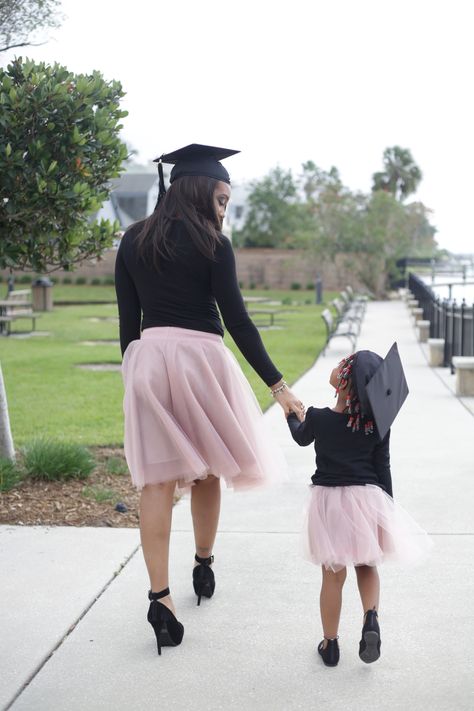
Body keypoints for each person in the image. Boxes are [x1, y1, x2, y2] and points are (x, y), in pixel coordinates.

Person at [114, 144, 304, 656]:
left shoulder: (132, 240)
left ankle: (160, 598)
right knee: (208, 469)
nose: (224, 209)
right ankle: (203, 564)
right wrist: (278, 388)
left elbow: (127, 328)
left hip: (148, 360)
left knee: (155, 482)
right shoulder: (213, 245)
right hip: (202, 362)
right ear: (201, 192)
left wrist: (136, 377)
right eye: (222, 199)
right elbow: (238, 321)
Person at [286, 345, 432, 667]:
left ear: (343, 381)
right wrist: (387, 511)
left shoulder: (319, 418)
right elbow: (384, 467)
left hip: (329, 504)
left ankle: (331, 644)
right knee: (366, 565)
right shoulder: (376, 426)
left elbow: (300, 437)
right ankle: (370, 619)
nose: (338, 365)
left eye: (343, 363)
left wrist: (290, 414)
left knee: (332, 575)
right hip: (366, 500)